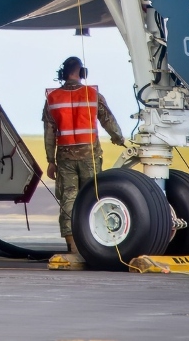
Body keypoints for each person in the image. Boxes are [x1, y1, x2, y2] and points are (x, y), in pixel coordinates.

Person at [43, 56, 126, 253]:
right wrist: (119, 138)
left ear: (63, 73)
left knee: (68, 198)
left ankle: (72, 245)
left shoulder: (52, 98)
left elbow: (49, 133)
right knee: (93, 197)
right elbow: (108, 120)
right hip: (90, 157)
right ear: (82, 72)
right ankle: (95, 241)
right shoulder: (92, 94)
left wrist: (50, 161)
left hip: (65, 158)